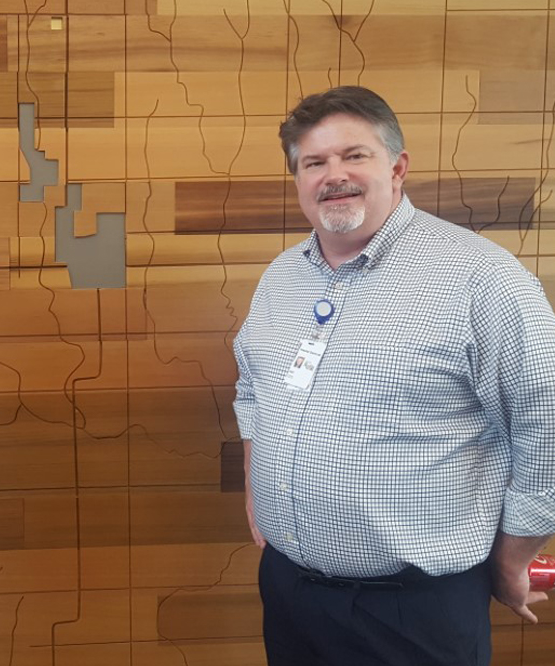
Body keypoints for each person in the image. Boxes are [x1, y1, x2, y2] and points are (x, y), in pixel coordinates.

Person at [233, 86, 555, 666]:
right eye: (314, 162)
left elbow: (547, 426)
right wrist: (257, 487)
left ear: (398, 167)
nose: (335, 175)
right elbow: (253, 389)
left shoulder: (482, 279)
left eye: (354, 155)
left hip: (414, 613)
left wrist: (512, 557)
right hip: (289, 593)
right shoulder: (281, 278)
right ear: (298, 179)